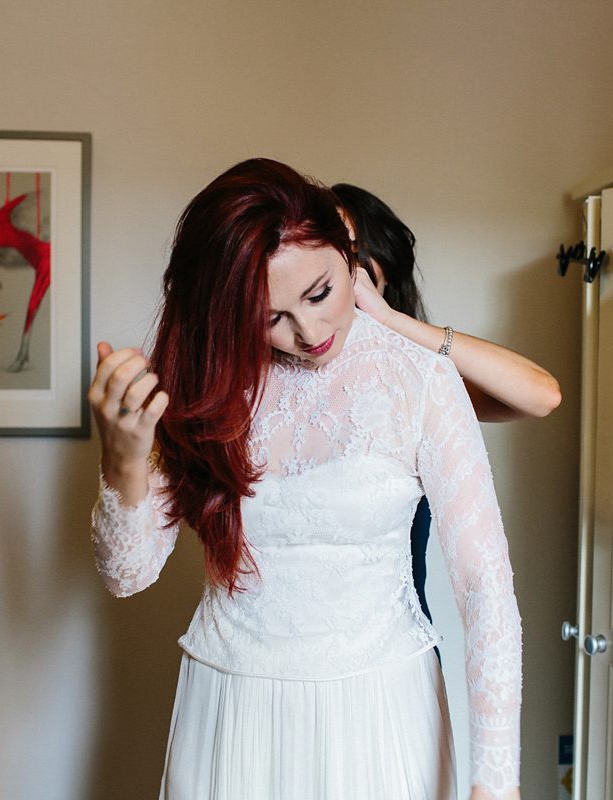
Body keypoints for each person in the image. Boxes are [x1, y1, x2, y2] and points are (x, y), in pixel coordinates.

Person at [89, 158, 522, 800]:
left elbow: (485, 587)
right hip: (231, 711)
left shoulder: (421, 381)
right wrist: (123, 458)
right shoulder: (206, 385)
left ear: (349, 253)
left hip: (379, 711)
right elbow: (127, 575)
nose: (309, 332)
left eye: (318, 293)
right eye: (270, 317)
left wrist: (495, 782)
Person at [333, 183, 560, 623]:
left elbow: (541, 394)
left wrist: (390, 320)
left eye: (354, 254)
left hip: (398, 648)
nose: (339, 270)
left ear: (385, 267)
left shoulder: (421, 382)